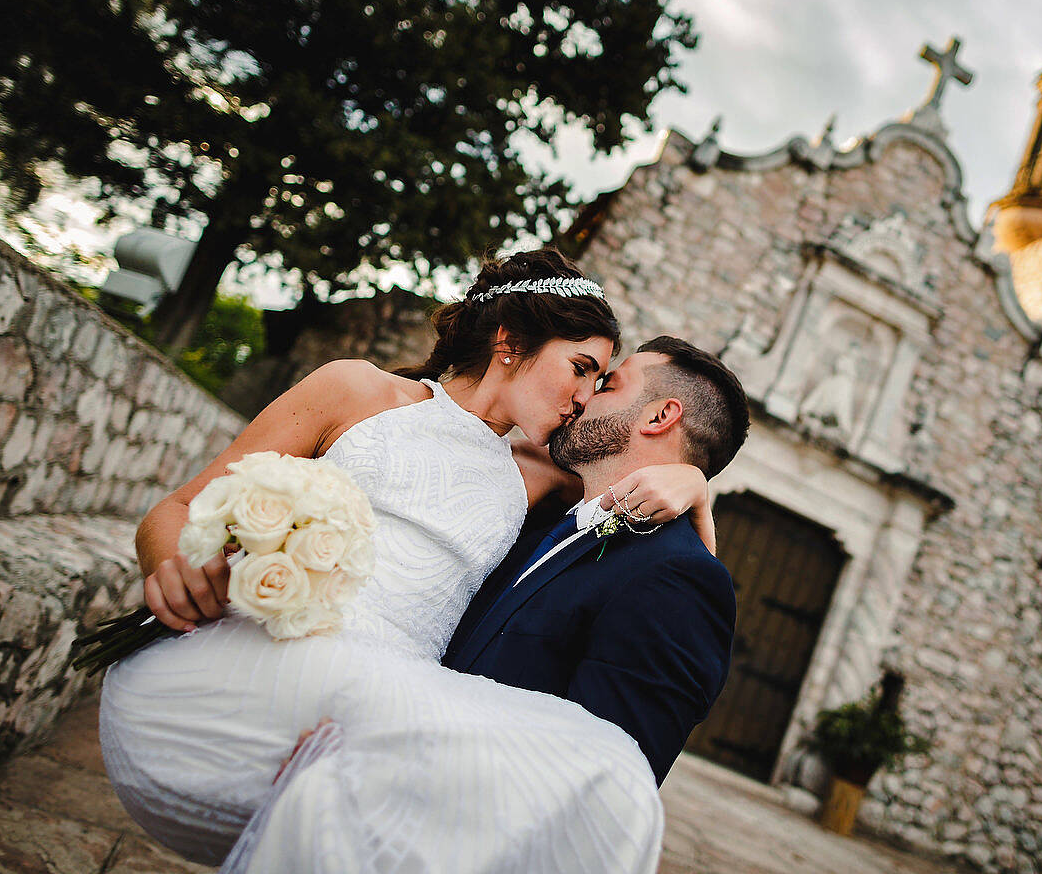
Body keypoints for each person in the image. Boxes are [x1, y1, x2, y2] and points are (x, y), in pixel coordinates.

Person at [97, 248, 713, 874]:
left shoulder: (539, 474)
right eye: (580, 370)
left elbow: (640, 480)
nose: (583, 398)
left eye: (598, 381)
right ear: (509, 342)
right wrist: (172, 566)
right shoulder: (356, 391)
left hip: (384, 726)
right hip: (255, 662)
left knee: (606, 771)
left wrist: (693, 480)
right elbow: (177, 509)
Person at [443, 336, 749, 786]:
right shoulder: (544, 520)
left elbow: (602, 782)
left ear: (659, 417)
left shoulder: (678, 578)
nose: (582, 396)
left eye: (607, 386)